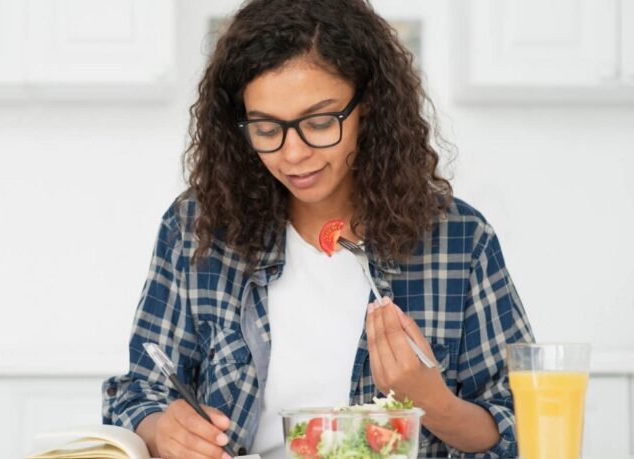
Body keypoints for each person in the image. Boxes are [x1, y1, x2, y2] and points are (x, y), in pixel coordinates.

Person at [102, 0, 534, 457]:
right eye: (267, 129)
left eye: (320, 122)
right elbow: (138, 392)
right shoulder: (197, 228)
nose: (293, 154)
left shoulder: (459, 240)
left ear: (368, 106)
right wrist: (161, 428)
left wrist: (432, 401)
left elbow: (521, 428)